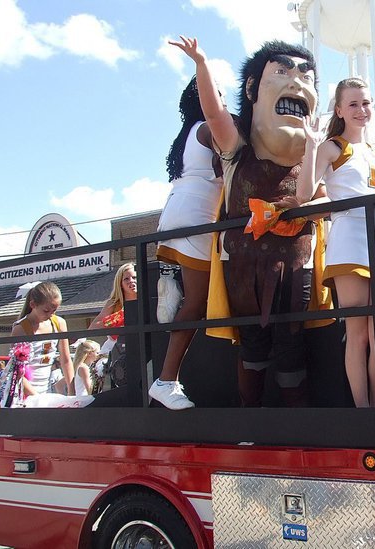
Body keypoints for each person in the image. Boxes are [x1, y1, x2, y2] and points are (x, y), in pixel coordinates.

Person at [170, 36, 320, 407]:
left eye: (307, 76)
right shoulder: (237, 150)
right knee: (252, 344)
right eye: (282, 71)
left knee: (292, 343)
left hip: (296, 263)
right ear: (253, 88)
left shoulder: (313, 155)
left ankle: (295, 423)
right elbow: (215, 115)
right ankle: (250, 418)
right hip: (244, 268)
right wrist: (202, 64)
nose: (296, 81)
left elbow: (324, 197)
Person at [298, 77, 375, 408]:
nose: (361, 110)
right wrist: (311, 145)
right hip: (349, 241)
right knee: (356, 334)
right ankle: (364, 410)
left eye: (366, 103)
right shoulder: (332, 146)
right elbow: (302, 194)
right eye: (353, 104)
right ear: (339, 109)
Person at [147, 76, 225, 410]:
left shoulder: (187, 133)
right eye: (215, 94)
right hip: (197, 216)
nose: (220, 98)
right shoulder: (209, 127)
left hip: (174, 213)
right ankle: (165, 381)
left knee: (194, 299)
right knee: (198, 303)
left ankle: (169, 283)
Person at [11, 281, 75, 397]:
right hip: (25, 391)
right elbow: (17, 370)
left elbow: (65, 360)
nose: (50, 314)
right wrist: (37, 397)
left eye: (54, 310)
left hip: (48, 388)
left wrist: (71, 390)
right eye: (46, 311)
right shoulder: (21, 328)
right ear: (33, 305)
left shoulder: (59, 323)